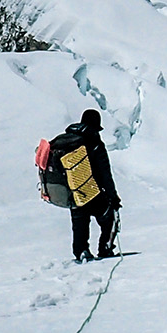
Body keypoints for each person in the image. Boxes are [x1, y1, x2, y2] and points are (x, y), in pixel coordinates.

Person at [60, 108, 118, 262]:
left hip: (73, 191)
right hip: (93, 191)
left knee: (79, 224)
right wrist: (113, 196)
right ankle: (105, 248)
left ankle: (81, 251)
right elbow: (105, 174)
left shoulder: (68, 141)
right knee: (109, 217)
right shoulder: (95, 143)